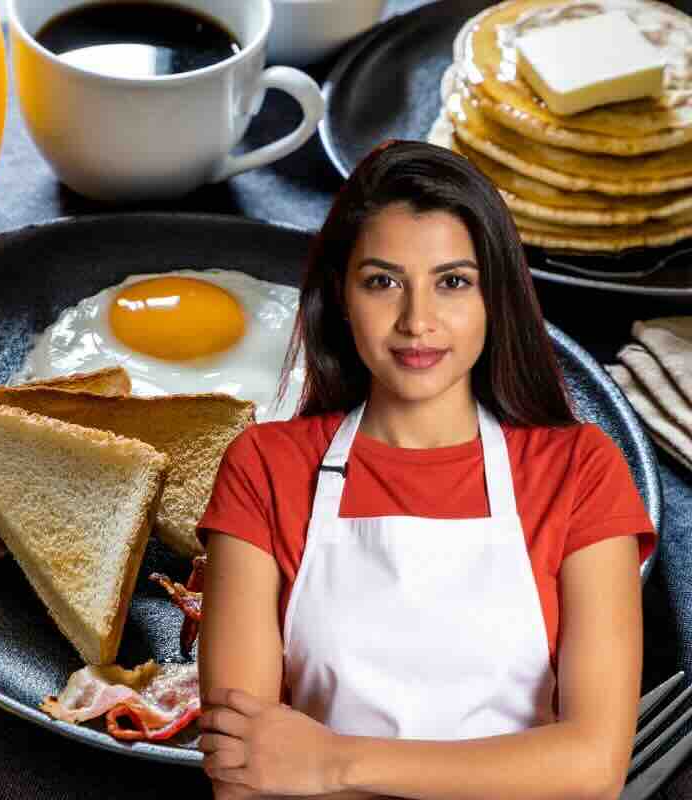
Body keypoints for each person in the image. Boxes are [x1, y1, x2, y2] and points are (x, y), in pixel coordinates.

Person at [195, 140, 656, 800]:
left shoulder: (580, 469)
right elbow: (244, 780)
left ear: (495, 296)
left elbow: (592, 769)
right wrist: (521, 772)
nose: (417, 322)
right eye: (382, 282)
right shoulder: (264, 467)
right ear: (342, 296)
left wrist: (332, 762)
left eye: (453, 282)